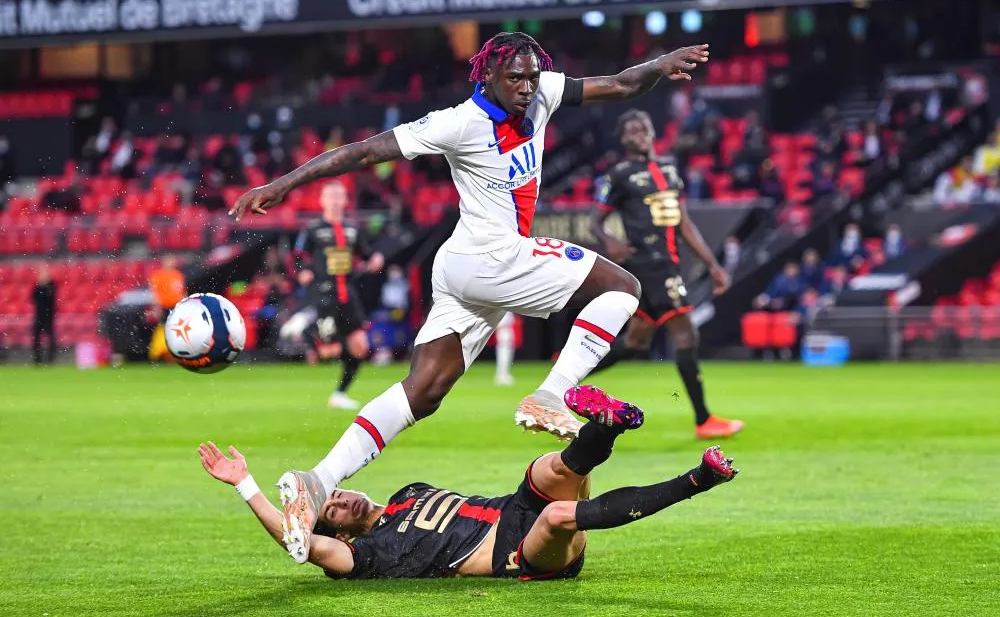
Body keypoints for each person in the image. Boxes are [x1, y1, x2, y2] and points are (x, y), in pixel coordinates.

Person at [230, 32, 711, 563]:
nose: (527, 87)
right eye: (515, 79)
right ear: (488, 77)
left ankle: (316, 479)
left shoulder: (545, 92)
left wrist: (661, 64)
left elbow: (620, 85)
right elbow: (366, 151)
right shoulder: (459, 121)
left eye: (532, 76)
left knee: (426, 389)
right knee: (624, 288)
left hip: (466, 267)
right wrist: (285, 184)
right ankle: (553, 393)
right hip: (490, 257)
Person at [198, 386, 738, 576]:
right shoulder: (367, 558)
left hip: (512, 505)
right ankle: (697, 478)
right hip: (519, 554)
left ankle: (607, 426)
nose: (335, 496)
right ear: (338, 535)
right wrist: (248, 486)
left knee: (549, 470)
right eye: (330, 510)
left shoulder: (407, 494)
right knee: (558, 515)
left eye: (333, 493)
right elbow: (299, 545)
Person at [587, 109, 743, 439]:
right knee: (687, 334)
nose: (638, 134)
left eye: (642, 128)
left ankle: (564, 380)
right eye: (630, 131)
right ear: (623, 139)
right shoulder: (619, 175)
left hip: (668, 262)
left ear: (652, 132)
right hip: (649, 263)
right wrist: (610, 242)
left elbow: (683, 222)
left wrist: (713, 265)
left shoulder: (670, 167)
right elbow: (594, 222)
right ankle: (704, 420)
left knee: (635, 341)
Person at [295, 180, 385, 410]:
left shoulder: (353, 229)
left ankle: (339, 394)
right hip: (324, 292)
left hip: (349, 293)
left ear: (345, 200)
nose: (335, 201)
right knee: (328, 352)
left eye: (339, 196)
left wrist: (375, 259)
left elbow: (366, 253)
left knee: (360, 347)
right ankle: (306, 331)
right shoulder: (313, 229)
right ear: (322, 200)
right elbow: (297, 256)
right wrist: (303, 271)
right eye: (331, 196)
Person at [31, 265, 56, 365]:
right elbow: (33, 298)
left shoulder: (51, 286)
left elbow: (50, 298)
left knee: (50, 338)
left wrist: (44, 286)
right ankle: (37, 359)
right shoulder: (37, 287)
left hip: (48, 316)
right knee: (36, 337)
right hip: (39, 316)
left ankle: (50, 359)